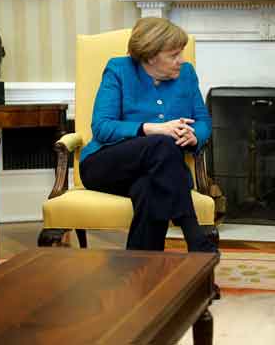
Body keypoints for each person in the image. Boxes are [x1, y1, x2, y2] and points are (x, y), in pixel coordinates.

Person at [79, 17, 216, 253]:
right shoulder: (118, 70)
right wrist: (150, 128)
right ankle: (195, 238)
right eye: (174, 55)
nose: (181, 60)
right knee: (162, 143)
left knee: (150, 190)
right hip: (105, 165)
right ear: (151, 56)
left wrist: (195, 137)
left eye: (181, 53)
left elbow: (203, 121)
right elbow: (101, 126)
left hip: (157, 170)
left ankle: (140, 270)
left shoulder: (186, 74)